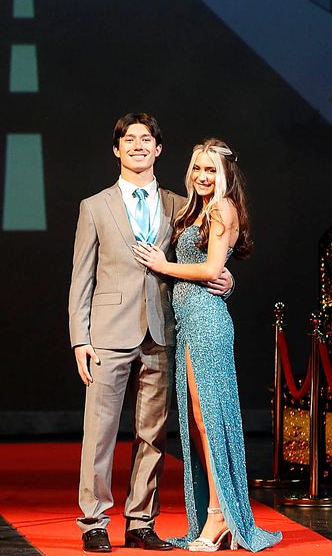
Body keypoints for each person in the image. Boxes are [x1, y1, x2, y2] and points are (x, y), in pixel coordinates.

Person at [69, 114, 233, 553]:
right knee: (99, 432)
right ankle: (94, 522)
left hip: (162, 331)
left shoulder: (183, 205)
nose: (138, 145)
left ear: (159, 150)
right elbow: (80, 277)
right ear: (117, 149)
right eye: (129, 139)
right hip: (107, 334)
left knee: (153, 434)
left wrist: (229, 279)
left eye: (147, 139)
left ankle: (141, 520)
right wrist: (79, 338)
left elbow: (211, 252)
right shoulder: (95, 206)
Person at [134, 139, 282, 552]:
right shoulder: (193, 210)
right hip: (189, 323)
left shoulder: (222, 208)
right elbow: (216, 272)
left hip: (206, 324)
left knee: (208, 420)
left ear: (226, 174)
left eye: (211, 170)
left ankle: (219, 516)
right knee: (198, 420)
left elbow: (213, 268)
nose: (202, 176)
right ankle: (218, 512)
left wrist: (164, 266)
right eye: (197, 168)